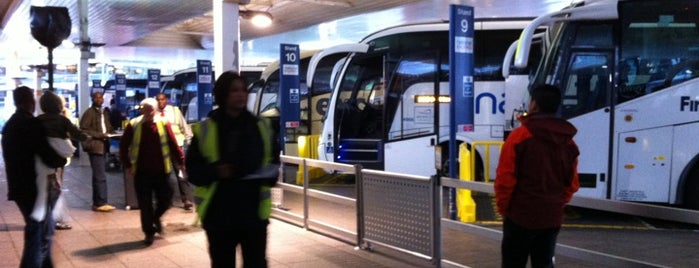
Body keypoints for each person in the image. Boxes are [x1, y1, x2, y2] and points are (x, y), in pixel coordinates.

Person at [186, 71, 279, 268]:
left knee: (256, 263)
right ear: (222, 94)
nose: (241, 95)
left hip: (253, 213)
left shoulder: (261, 126)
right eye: (234, 90)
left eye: (244, 90)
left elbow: (273, 162)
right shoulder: (205, 129)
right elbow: (193, 171)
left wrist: (269, 174)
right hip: (219, 215)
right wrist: (217, 172)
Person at [494, 84, 580, 268]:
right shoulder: (569, 141)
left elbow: (504, 180)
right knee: (544, 263)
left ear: (534, 105)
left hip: (519, 217)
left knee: (513, 263)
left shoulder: (519, 136)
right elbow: (571, 183)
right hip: (551, 217)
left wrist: (504, 209)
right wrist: (555, 204)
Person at [2, 86, 68, 268]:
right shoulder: (30, 124)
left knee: (42, 231)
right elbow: (46, 153)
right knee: (39, 236)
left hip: (19, 187)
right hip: (35, 188)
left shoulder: (10, 125)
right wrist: (61, 158)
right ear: (30, 101)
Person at [119, 98, 185, 246]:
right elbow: (124, 146)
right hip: (142, 173)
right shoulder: (134, 124)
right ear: (141, 110)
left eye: (150, 109)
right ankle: (148, 232)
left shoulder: (163, 123)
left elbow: (174, 144)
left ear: (156, 110)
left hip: (162, 171)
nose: (147, 112)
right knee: (145, 204)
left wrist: (181, 162)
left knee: (167, 199)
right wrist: (127, 164)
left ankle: (155, 218)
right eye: (145, 109)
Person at [36, 91, 90, 231]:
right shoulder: (62, 120)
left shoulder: (37, 120)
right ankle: (58, 219)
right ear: (58, 105)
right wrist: (86, 137)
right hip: (56, 160)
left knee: (43, 188)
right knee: (56, 188)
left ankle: (44, 218)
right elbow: (77, 134)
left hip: (40, 159)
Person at [155, 93, 194, 211]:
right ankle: (166, 200)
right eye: (158, 100)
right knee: (164, 175)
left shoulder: (175, 111)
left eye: (162, 99)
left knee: (181, 173)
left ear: (166, 100)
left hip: (177, 146)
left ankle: (186, 199)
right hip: (162, 148)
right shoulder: (154, 113)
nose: (160, 102)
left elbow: (184, 126)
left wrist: (189, 141)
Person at [79, 92, 116, 212]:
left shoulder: (104, 112)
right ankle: (101, 202)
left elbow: (107, 126)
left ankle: (98, 202)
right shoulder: (89, 113)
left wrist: (114, 133)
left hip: (103, 145)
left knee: (99, 175)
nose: (100, 99)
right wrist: (100, 135)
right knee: (100, 175)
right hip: (95, 146)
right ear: (93, 99)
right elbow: (84, 130)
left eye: (101, 97)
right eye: (97, 97)